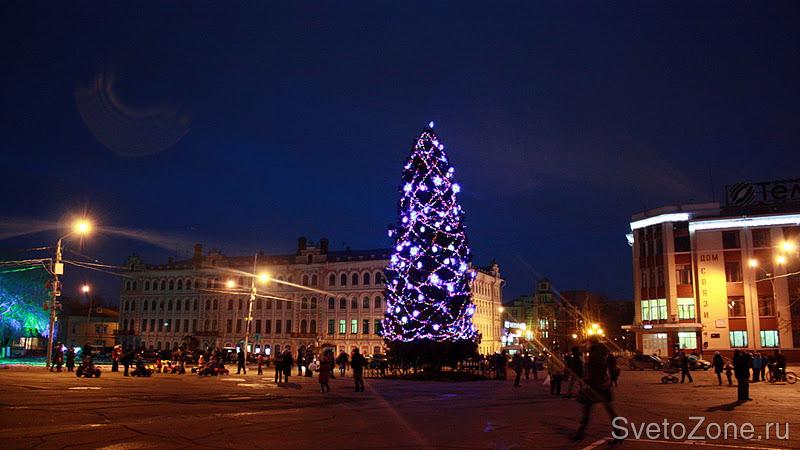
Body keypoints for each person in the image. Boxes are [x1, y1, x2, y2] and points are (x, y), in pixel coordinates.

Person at [572, 338, 619, 443]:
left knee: (587, 409)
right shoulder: (601, 353)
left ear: (591, 343)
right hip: (602, 385)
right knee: (609, 411)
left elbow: (594, 371)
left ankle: (580, 433)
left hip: (596, 387)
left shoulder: (594, 355)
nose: (586, 345)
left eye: (587, 343)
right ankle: (618, 432)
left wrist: (587, 383)